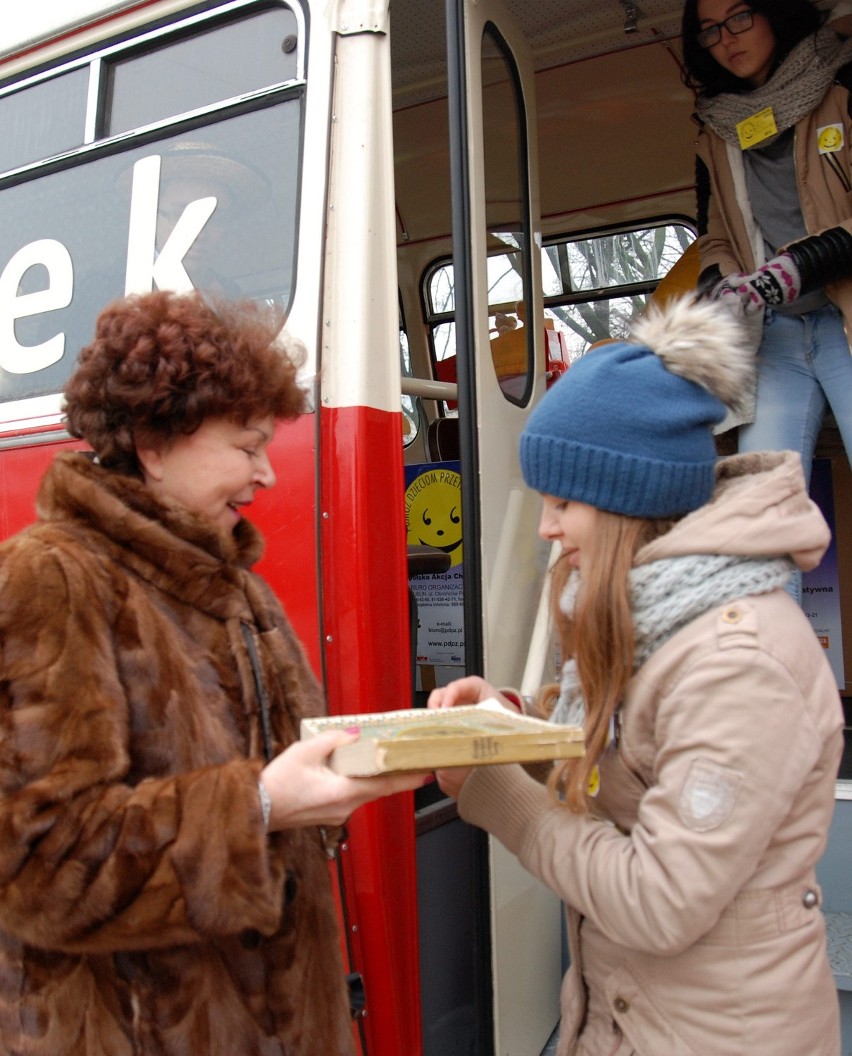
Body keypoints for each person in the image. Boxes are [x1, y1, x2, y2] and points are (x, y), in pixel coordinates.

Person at [0, 290, 424, 1056]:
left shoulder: (229, 582)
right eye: (247, 445)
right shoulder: (52, 579)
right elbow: (42, 866)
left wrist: (423, 735)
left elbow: (289, 767)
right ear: (156, 440)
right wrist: (258, 804)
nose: (266, 473)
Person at [428, 294, 844, 1056]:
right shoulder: (653, 614)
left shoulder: (736, 663)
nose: (548, 527)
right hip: (636, 1015)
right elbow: (620, 767)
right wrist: (504, 726)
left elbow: (659, 904)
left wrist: (498, 796)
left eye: (562, 503)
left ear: (627, 503)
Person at [681, 0, 852, 503]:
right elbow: (713, 238)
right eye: (710, 31)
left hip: (844, 316)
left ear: (775, 11)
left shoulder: (844, 84)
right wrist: (721, 288)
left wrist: (799, 265)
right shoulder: (715, 130)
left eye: (739, 18)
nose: (727, 38)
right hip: (774, 334)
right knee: (754, 511)